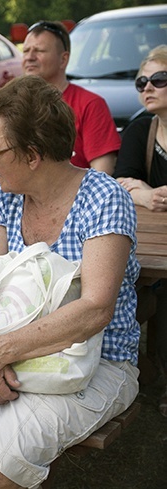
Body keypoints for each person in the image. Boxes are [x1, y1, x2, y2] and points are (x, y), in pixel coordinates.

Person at [0, 75, 141, 489]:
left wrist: (0, 352)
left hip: (97, 359)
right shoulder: (9, 193)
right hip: (5, 346)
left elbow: (95, 308)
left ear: (33, 155)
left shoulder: (104, 196)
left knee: (1, 468)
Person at [0, 20, 120, 193]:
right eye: (26, 50)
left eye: (40, 50)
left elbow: (102, 173)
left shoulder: (90, 104)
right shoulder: (10, 103)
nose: (29, 57)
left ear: (63, 59)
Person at [114, 45, 167, 417]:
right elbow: (120, 181)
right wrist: (146, 194)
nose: (147, 88)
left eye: (159, 80)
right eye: (141, 82)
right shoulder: (140, 129)